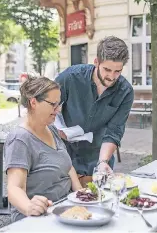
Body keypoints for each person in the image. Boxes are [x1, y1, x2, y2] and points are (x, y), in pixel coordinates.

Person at [55, 36, 134, 185]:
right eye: (107, 69)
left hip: (98, 159)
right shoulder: (71, 77)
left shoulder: (126, 92)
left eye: (118, 71)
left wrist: (103, 162)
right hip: (65, 155)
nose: (112, 77)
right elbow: (46, 106)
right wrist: (54, 128)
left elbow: (114, 131)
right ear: (96, 62)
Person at [4, 75, 83, 222]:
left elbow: (67, 166)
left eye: (59, 104)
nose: (58, 110)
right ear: (33, 102)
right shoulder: (20, 139)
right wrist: (29, 207)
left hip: (64, 210)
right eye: (53, 104)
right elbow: (14, 188)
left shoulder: (51, 129)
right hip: (37, 218)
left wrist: (80, 192)